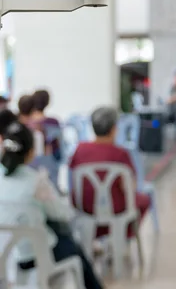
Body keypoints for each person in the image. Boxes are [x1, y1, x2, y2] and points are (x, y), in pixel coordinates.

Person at [0, 122, 104, 289]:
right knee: (72, 244)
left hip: (6, 256)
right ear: (31, 152)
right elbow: (63, 213)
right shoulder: (36, 182)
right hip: (34, 254)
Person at [69, 107, 151, 239]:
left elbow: (72, 177)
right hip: (115, 209)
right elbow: (129, 187)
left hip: (84, 207)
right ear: (114, 129)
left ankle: (94, 241)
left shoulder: (80, 149)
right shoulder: (120, 153)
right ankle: (121, 239)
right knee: (144, 200)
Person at [30, 89, 62, 161]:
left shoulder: (25, 123)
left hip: (29, 164)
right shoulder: (53, 122)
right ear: (47, 102)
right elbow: (59, 149)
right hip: (49, 166)